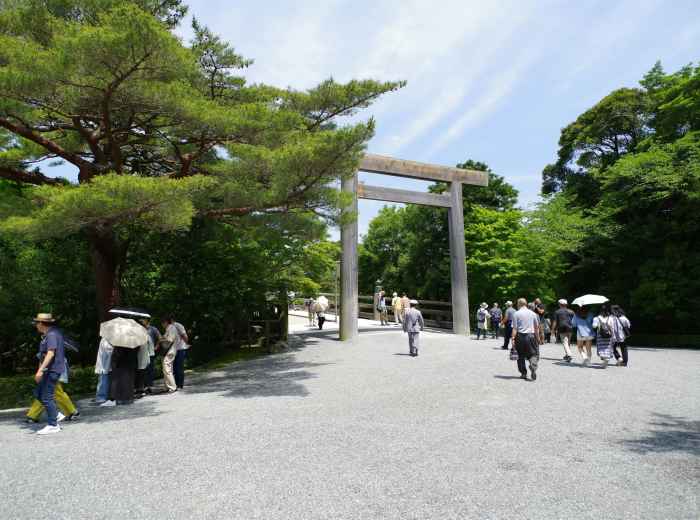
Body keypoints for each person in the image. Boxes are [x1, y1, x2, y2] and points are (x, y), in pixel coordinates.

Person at [31, 313, 67, 434]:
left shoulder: (52, 334)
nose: (36, 325)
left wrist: (40, 370)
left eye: (37, 323)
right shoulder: (49, 334)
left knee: (46, 397)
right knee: (38, 393)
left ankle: (53, 425)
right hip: (49, 369)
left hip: (52, 369)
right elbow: (43, 355)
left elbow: (51, 353)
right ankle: (55, 414)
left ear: (41, 324)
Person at [511, 298, 540, 381]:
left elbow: (515, 328)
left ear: (519, 304)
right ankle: (533, 366)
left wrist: (513, 338)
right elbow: (536, 327)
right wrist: (538, 338)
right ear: (526, 304)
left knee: (520, 355)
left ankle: (523, 373)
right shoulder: (533, 314)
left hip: (520, 336)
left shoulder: (516, 314)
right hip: (531, 336)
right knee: (533, 354)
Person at [162, 315, 189, 391]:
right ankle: (175, 384)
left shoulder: (178, 325)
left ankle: (179, 385)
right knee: (174, 367)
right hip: (175, 348)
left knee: (179, 367)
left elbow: (185, 336)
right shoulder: (171, 327)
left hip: (180, 348)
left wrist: (186, 344)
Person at [593, 303, 615, 368]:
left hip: (600, 335)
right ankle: (606, 358)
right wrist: (613, 335)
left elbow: (594, 326)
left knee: (601, 347)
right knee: (608, 347)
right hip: (609, 334)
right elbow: (612, 327)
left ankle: (605, 359)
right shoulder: (611, 318)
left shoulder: (597, 318)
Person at [143, 318, 161, 392]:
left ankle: (149, 386)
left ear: (147, 321)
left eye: (143, 320)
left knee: (150, 369)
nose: (141, 321)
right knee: (144, 369)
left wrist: (156, 346)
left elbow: (160, 337)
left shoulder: (153, 329)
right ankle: (145, 386)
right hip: (143, 352)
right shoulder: (140, 329)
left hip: (150, 352)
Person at [95, 337, 113, 403]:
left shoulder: (109, 338)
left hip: (107, 365)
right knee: (103, 381)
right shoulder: (105, 339)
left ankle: (106, 396)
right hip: (104, 365)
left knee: (106, 381)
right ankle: (100, 397)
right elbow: (108, 350)